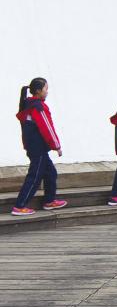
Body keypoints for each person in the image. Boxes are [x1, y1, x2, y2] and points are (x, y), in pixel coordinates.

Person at [11, 78, 68, 216]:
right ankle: (19, 206)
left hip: (34, 147)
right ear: (38, 91)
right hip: (38, 148)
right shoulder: (38, 107)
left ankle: (49, 201)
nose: (47, 91)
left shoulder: (28, 104)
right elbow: (47, 127)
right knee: (34, 176)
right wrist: (57, 146)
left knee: (51, 172)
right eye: (45, 89)